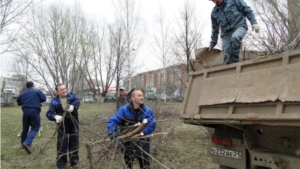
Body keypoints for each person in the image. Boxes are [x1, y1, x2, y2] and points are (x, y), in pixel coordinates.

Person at [107, 90, 156, 169]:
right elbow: (112, 121)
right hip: (127, 142)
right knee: (127, 166)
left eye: (142, 95)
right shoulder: (123, 110)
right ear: (133, 98)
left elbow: (152, 124)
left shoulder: (148, 111)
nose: (142, 97)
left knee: (145, 165)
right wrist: (113, 135)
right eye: (139, 95)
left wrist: (142, 132)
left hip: (143, 142)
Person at [208, 0, 260, 65]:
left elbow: (247, 10)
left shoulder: (234, 1)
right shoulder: (214, 13)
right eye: (212, 0)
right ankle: (229, 68)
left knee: (235, 38)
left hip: (239, 26)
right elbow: (215, 29)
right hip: (226, 34)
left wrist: (254, 22)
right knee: (226, 55)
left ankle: (234, 60)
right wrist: (213, 43)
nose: (215, 1)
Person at [46, 84, 80, 169]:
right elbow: (49, 114)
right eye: (61, 89)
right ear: (57, 91)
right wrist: (55, 117)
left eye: (65, 88)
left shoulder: (72, 96)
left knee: (74, 142)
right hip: (62, 125)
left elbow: (77, 101)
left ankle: (74, 161)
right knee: (62, 144)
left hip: (73, 124)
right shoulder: (54, 101)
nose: (64, 90)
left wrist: (73, 106)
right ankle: (61, 164)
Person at [17, 81, 46, 154]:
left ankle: (23, 143)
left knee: (25, 128)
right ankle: (27, 143)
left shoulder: (22, 93)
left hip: (25, 111)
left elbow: (19, 102)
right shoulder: (37, 91)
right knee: (35, 127)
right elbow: (44, 99)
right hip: (34, 111)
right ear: (33, 85)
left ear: (27, 86)